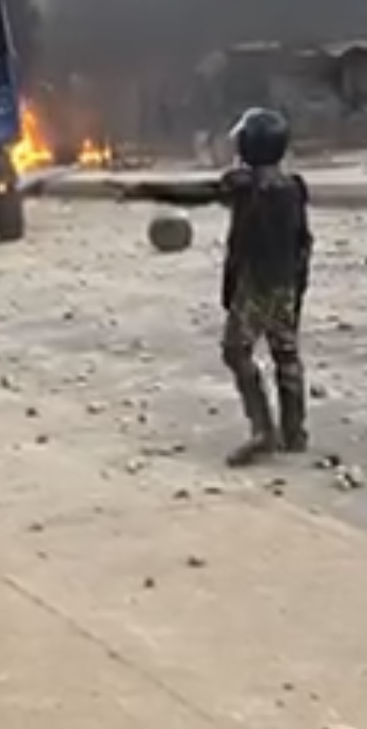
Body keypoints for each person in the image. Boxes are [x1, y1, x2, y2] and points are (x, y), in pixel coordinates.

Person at [119, 107, 312, 467]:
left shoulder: (243, 184)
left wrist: (145, 189)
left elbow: (196, 192)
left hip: (255, 285)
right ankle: (294, 430)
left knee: (236, 351)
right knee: (286, 352)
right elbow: (304, 243)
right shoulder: (294, 188)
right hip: (285, 283)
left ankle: (263, 431)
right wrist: (300, 287)